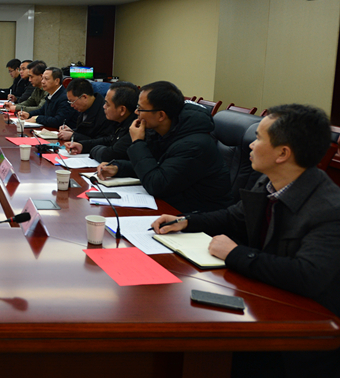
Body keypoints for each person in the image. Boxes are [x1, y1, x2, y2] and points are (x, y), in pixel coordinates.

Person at [151, 104, 340, 377]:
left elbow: (307, 275)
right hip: (264, 301)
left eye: (259, 138)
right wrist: (187, 221)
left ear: (283, 153)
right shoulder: (269, 181)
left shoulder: (329, 209)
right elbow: (234, 216)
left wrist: (234, 253)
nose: (251, 144)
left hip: (301, 335)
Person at [96, 81, 231, 213]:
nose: (136, 112)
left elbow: (156, 184)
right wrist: (119, 168)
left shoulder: (193, 145)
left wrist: (137, 142)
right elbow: (154, 166)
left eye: (140, 108)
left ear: (161, 115)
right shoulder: (164, 131)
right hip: (174, 205)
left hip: (198, 215)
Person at [65, 81, 138, 162]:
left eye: (107, 104)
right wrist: (83, 146)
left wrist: (93, 150)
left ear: (122, 110)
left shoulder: (134, 128)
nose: (104, 106)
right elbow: (108, 140)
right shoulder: (120, 122)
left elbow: (109, 155)